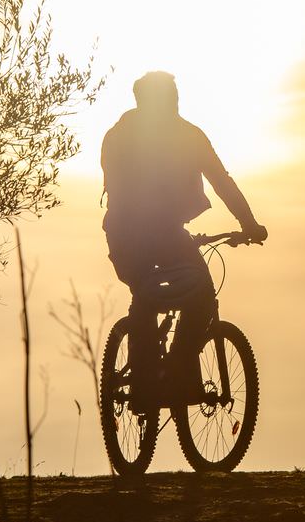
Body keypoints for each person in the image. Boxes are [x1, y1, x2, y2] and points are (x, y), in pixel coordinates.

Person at [100, 71, 267, 411]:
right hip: (144, 231)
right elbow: (221, 181)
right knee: (178, 294)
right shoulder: (175, 137)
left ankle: (163, 377)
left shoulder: (124, 136)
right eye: (170, 97)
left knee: (172, 294)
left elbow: (221, 181)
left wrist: (247, 222)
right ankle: (163, 378)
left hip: (138, 232)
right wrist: (248, 224)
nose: (175, 103)